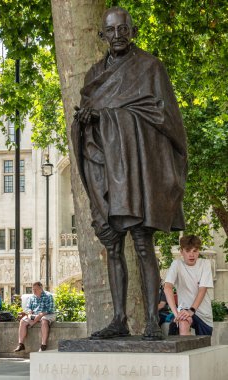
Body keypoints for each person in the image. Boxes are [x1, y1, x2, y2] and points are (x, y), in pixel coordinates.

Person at [71, 6, 187, 340]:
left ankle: (151, 320)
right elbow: (86, 114)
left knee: (141, 242)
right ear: (102, 35)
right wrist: (88, 121)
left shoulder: (150, 67)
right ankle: (119, 318)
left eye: (124, 29)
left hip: (138, 168)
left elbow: (163, 116)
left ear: (132, 31)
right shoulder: (94, 74)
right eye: (111, 31)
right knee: (112, 245)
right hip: (104, 166)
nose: (118, 36)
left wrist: (108, 116)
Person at [164, 235, 213, 335]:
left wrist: (191, 311)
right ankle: (185, 349)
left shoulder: (205, 264)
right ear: (182, 252)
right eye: (188, 250)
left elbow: (202, 290)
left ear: (198, 251)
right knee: (183, 322)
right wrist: (176, 314)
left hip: (203, 313)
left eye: (195, 251)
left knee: (204, 347)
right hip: (184, 309)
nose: (192, 254)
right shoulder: (176, 264)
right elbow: (167, 287)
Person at [14, 282, 56, 352]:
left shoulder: (48, 296)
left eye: (36, 289)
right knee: (23, 321)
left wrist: (39, 316)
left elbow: (50, 309)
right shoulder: (32, 297)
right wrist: (30, 314)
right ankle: (21, 344)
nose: (34, 291)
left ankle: (43, 345)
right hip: (35, 315)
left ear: (41, 288)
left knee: (44, 320)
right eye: (33, 289)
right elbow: (28, 308)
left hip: (46, 314)